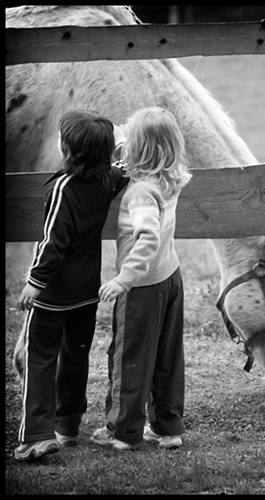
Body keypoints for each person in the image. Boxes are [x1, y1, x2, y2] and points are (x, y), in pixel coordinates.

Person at [14, 110, 129, 461]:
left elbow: (53, 242)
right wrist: (119, 146)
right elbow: (124, 170)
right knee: (75, 357)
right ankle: (68, 426)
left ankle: (35, 435)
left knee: (40, 357)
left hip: (53, 295)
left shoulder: (64, 188)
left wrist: (36, 282)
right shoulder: (108, 180)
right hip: (86, 293)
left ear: (66, 148)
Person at [91, 106, 192, 451]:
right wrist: (126, 136)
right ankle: (168, 427)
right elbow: (147, 142)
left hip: (142, 286)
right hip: (170, 277)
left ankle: (123, 431)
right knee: (167, 356)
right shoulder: (172, 177)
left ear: (140, 150)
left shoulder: (140, 194)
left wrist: (124, 279)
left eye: (130, 143)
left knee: (130, 357)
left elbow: (146, 237)